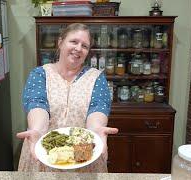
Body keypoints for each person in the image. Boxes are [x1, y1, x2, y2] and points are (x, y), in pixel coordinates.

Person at [16, 23, 118, 173]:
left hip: (82, 151)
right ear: (60, 42)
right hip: (45, 150)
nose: (78, 48)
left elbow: (98, 107)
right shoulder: (40, 74)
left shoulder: (96, 77)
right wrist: (37, 129)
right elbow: (37, 104)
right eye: (74, 42)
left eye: (85, 46)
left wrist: (96, 130)